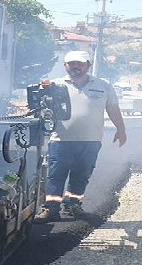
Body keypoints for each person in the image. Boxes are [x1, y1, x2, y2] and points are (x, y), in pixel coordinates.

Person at [35, 50, 127, 222]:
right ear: (65, 66)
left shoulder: (103, 85)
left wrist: (121, 129)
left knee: (82, 174)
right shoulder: (54, 86)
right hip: (61, 140)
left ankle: (72, 205)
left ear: (88, 65)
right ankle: (51, 208)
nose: (75, 66)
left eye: (80, 63)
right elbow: (40, 109)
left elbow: (113, 108)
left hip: (91, 140)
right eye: (71, 63)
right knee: (56, 175)